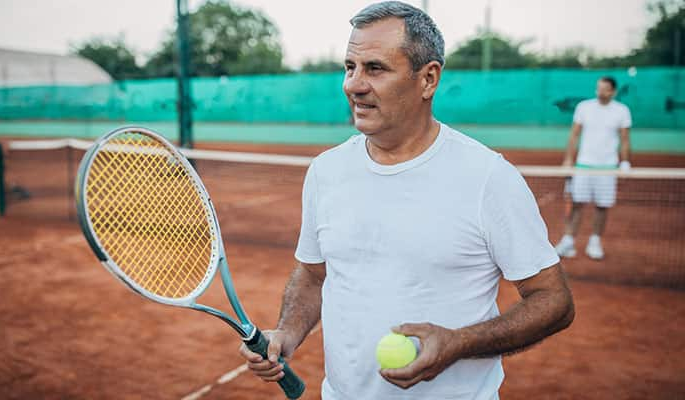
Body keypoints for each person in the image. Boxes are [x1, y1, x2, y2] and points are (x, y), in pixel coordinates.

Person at [239, 2, 575, 399]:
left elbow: (554, 300)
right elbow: (313, 274)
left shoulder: (488, 178)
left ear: (428, 79)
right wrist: (289, 331)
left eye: (375, 68)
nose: (353, 84)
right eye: (350, 67)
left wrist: (458, 342)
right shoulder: (325, 172)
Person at [555, 77, 632, 260]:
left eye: (605, 89)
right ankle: (568, 241)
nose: (600, 92)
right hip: (583, 166)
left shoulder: (622, 111)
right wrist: (568, 159)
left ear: (613, 92)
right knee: (576, 204)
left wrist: (625, 161)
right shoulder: (584, 107)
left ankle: (595, 241)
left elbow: (625, 139)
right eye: (598, 88)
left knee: (602, 206)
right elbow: (574, 135)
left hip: (608, 167)